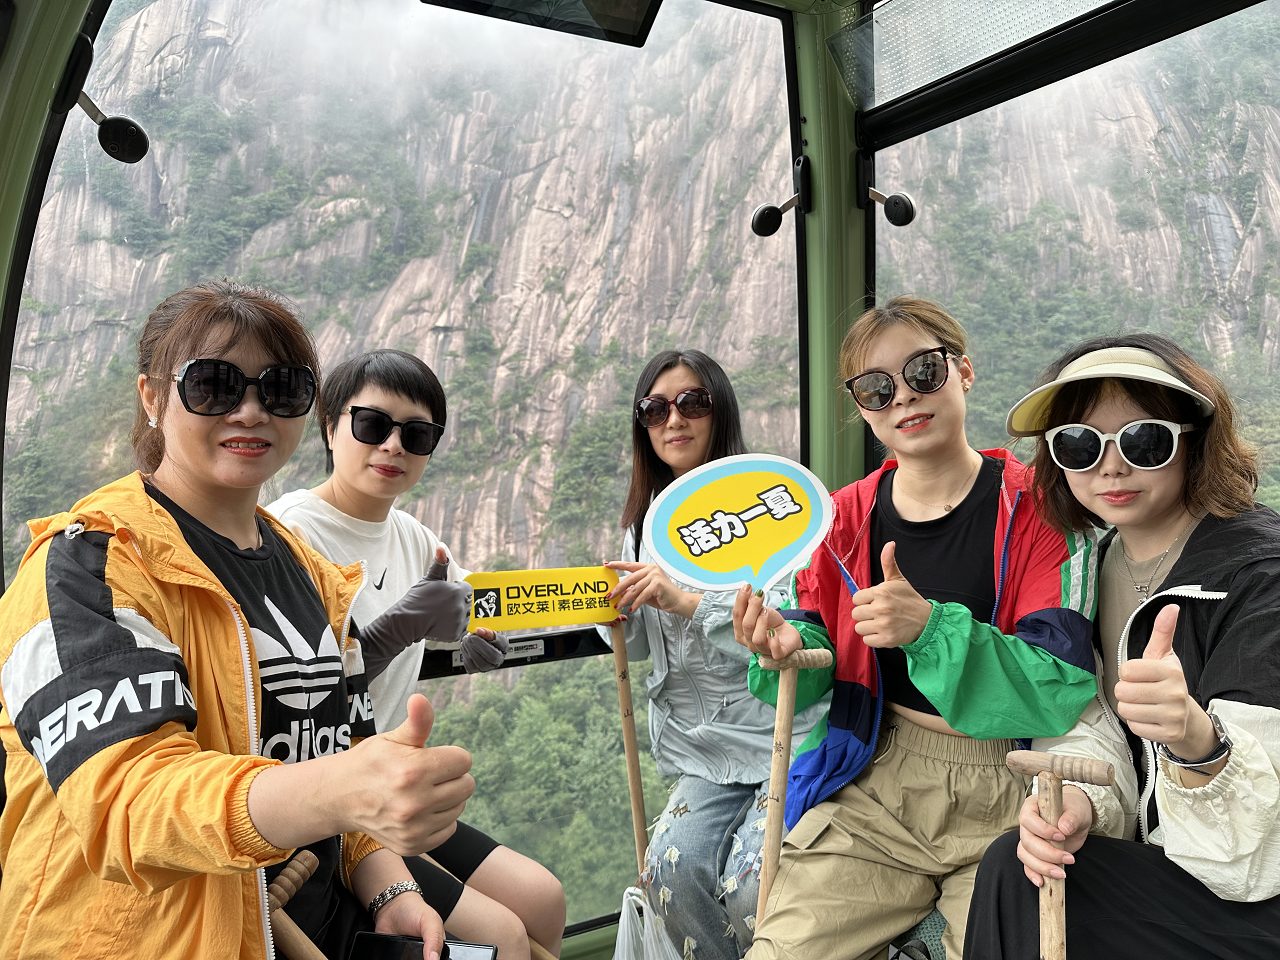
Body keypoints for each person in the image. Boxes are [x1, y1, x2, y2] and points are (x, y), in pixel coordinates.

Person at [0, 280, 474, 960]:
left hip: (305, 921)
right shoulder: (89, 566)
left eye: (281, 389)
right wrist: (338, 789)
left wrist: (388, 889)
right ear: (152, 398)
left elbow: (340, 751)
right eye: (213, 385)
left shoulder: (310, 570)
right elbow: (127, 804)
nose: (250, 410)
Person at [732, 296, 1101, 960]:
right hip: (876, 774)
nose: (903, 396)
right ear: (863, 408)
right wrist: (787, 650)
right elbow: (817, 647)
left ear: (964, 371)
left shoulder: (1041, 510)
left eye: (923, 372)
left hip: (1009, 786)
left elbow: (1059, 684)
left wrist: (929, 628)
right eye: (876, 388)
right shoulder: (840, 520)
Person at [965, 334, 1280, 958]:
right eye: (1080, 445)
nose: (1111, 467)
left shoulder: (1259, 574)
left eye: (1144, 441)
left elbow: (1261, 833)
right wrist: (1078, 802)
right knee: (1027, 867)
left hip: (1257, 886)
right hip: (1173, 868)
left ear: (1195, 442)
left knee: (1012, 879)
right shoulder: (1091, 566)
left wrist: (1197, 741)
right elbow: (1093, 727)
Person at [268, 348, 566, 960]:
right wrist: (395, 633)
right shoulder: (290, 534)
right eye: (372, 424)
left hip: (393, 780)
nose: (393, 446)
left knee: (543, 900)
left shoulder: (414, 537)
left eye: (416, 434)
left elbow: (470, 609)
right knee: (504, 935)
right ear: (330, 427)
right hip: (325, 795)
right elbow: (291, 693)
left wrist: (480, 642)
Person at [600, 348, 829, 960]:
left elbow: (787, 632)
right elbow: (641, 645)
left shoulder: (772, 509)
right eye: (654, 409)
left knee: (755, 890)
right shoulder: (643, 529)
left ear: (720, 409)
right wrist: (612, 612)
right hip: (706, 753)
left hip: (787, 737)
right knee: (668, 873)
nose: (673, 420)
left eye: (692, 402)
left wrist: (685, 601)